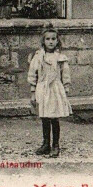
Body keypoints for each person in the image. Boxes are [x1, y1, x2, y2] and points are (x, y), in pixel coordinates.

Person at [28, 24, 72, 157]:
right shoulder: (39, 57)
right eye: (48, 39)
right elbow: (32, 73)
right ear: (43, 41)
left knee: (54, 117)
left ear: (57, 41)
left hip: (55, 89)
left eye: (53, 39)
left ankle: (56, 145)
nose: (51, 42)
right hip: (42, 88)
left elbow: (65, 74)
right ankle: (46, 143)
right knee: (45, 117)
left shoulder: (60, 58)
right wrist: (32, 90)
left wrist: (66, 87)